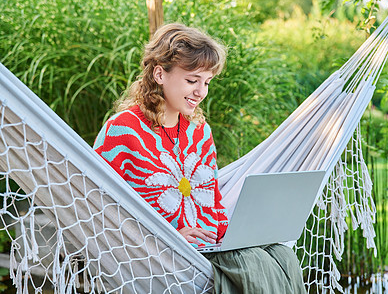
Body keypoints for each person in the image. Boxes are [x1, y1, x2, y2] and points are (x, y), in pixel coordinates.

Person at [94, 23, 306, 294]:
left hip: (211, 247)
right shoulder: (123, 129)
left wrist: (229, 234)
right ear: (160, 73)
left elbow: (213, 198)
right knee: (250, 261)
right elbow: (99, 207)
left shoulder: (199, 130)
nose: (200, 92)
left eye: (206, 82)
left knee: (281, 254)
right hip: (164, 255)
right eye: (192, 80)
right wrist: (166, 239)